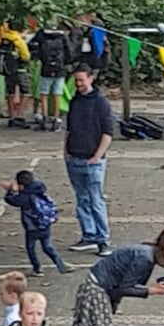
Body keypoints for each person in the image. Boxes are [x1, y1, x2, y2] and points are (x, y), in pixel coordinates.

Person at [63, 65, 116, 253]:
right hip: (74, 157)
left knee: (96, 200)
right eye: (76, 80)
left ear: (90, 78)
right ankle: (89, 235)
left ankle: (103, 239)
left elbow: (108, 132)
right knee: (82, 200)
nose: (78, 84)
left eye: (81, 80)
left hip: (93, 160)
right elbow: (69, 129)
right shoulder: (75, 101)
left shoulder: (101, 102)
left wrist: (97, 156)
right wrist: (66, 153)